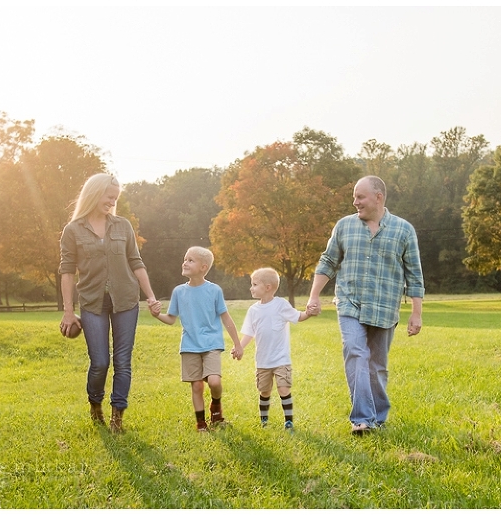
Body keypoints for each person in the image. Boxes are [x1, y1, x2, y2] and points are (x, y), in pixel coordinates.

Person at [307, 175, 424, 436]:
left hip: (384, 307)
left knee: (377, 366)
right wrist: (314, 295)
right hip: (349, 302)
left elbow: (414, 275)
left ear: (378, 197)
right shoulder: (344, 226)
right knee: (356, 353)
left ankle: (378, 416)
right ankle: (362, 420)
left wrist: (416, 314)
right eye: (354, 196)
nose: (355, 202)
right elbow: (328, 262)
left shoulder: (403, 230)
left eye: (360, 197)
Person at [59, 173, 159, 433]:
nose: (113, 201)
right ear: (94, 193)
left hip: (126, 300)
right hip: (92, 303)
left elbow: (136, 262)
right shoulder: (72, 231)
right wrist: (68, 312)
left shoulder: (123, 226)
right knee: (100, 361)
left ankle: (117, 418)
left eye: (115, 197)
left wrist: (150, 295)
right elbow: (67, 271)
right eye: (109, 196)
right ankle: (95, 404)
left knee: (123, 361)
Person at [150, 246, 243, 432]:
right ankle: (201, 424)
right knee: (197, 386)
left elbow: (226, 318)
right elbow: (171, 319)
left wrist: (237, 344)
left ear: (203, 267)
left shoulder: (214, 290)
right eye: (185, 259)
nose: (185, 262)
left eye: (190, 260)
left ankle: (216, 409)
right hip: (189, 345)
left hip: (211, 344)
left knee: (215, 382)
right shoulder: (178, 292)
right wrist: (156, 315)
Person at [239, 267, 316, 431]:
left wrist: (308, 313)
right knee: (265, 391)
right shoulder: (253, 310)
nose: (251, 288)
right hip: (263, 360)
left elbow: (298, 316)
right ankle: (264, 420)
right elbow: (248, 333)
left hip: (281, 359)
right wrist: (239, 347)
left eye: (254, 284)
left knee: (283, 388)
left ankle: (289, 422)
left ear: (267, 287)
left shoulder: (281, 305)